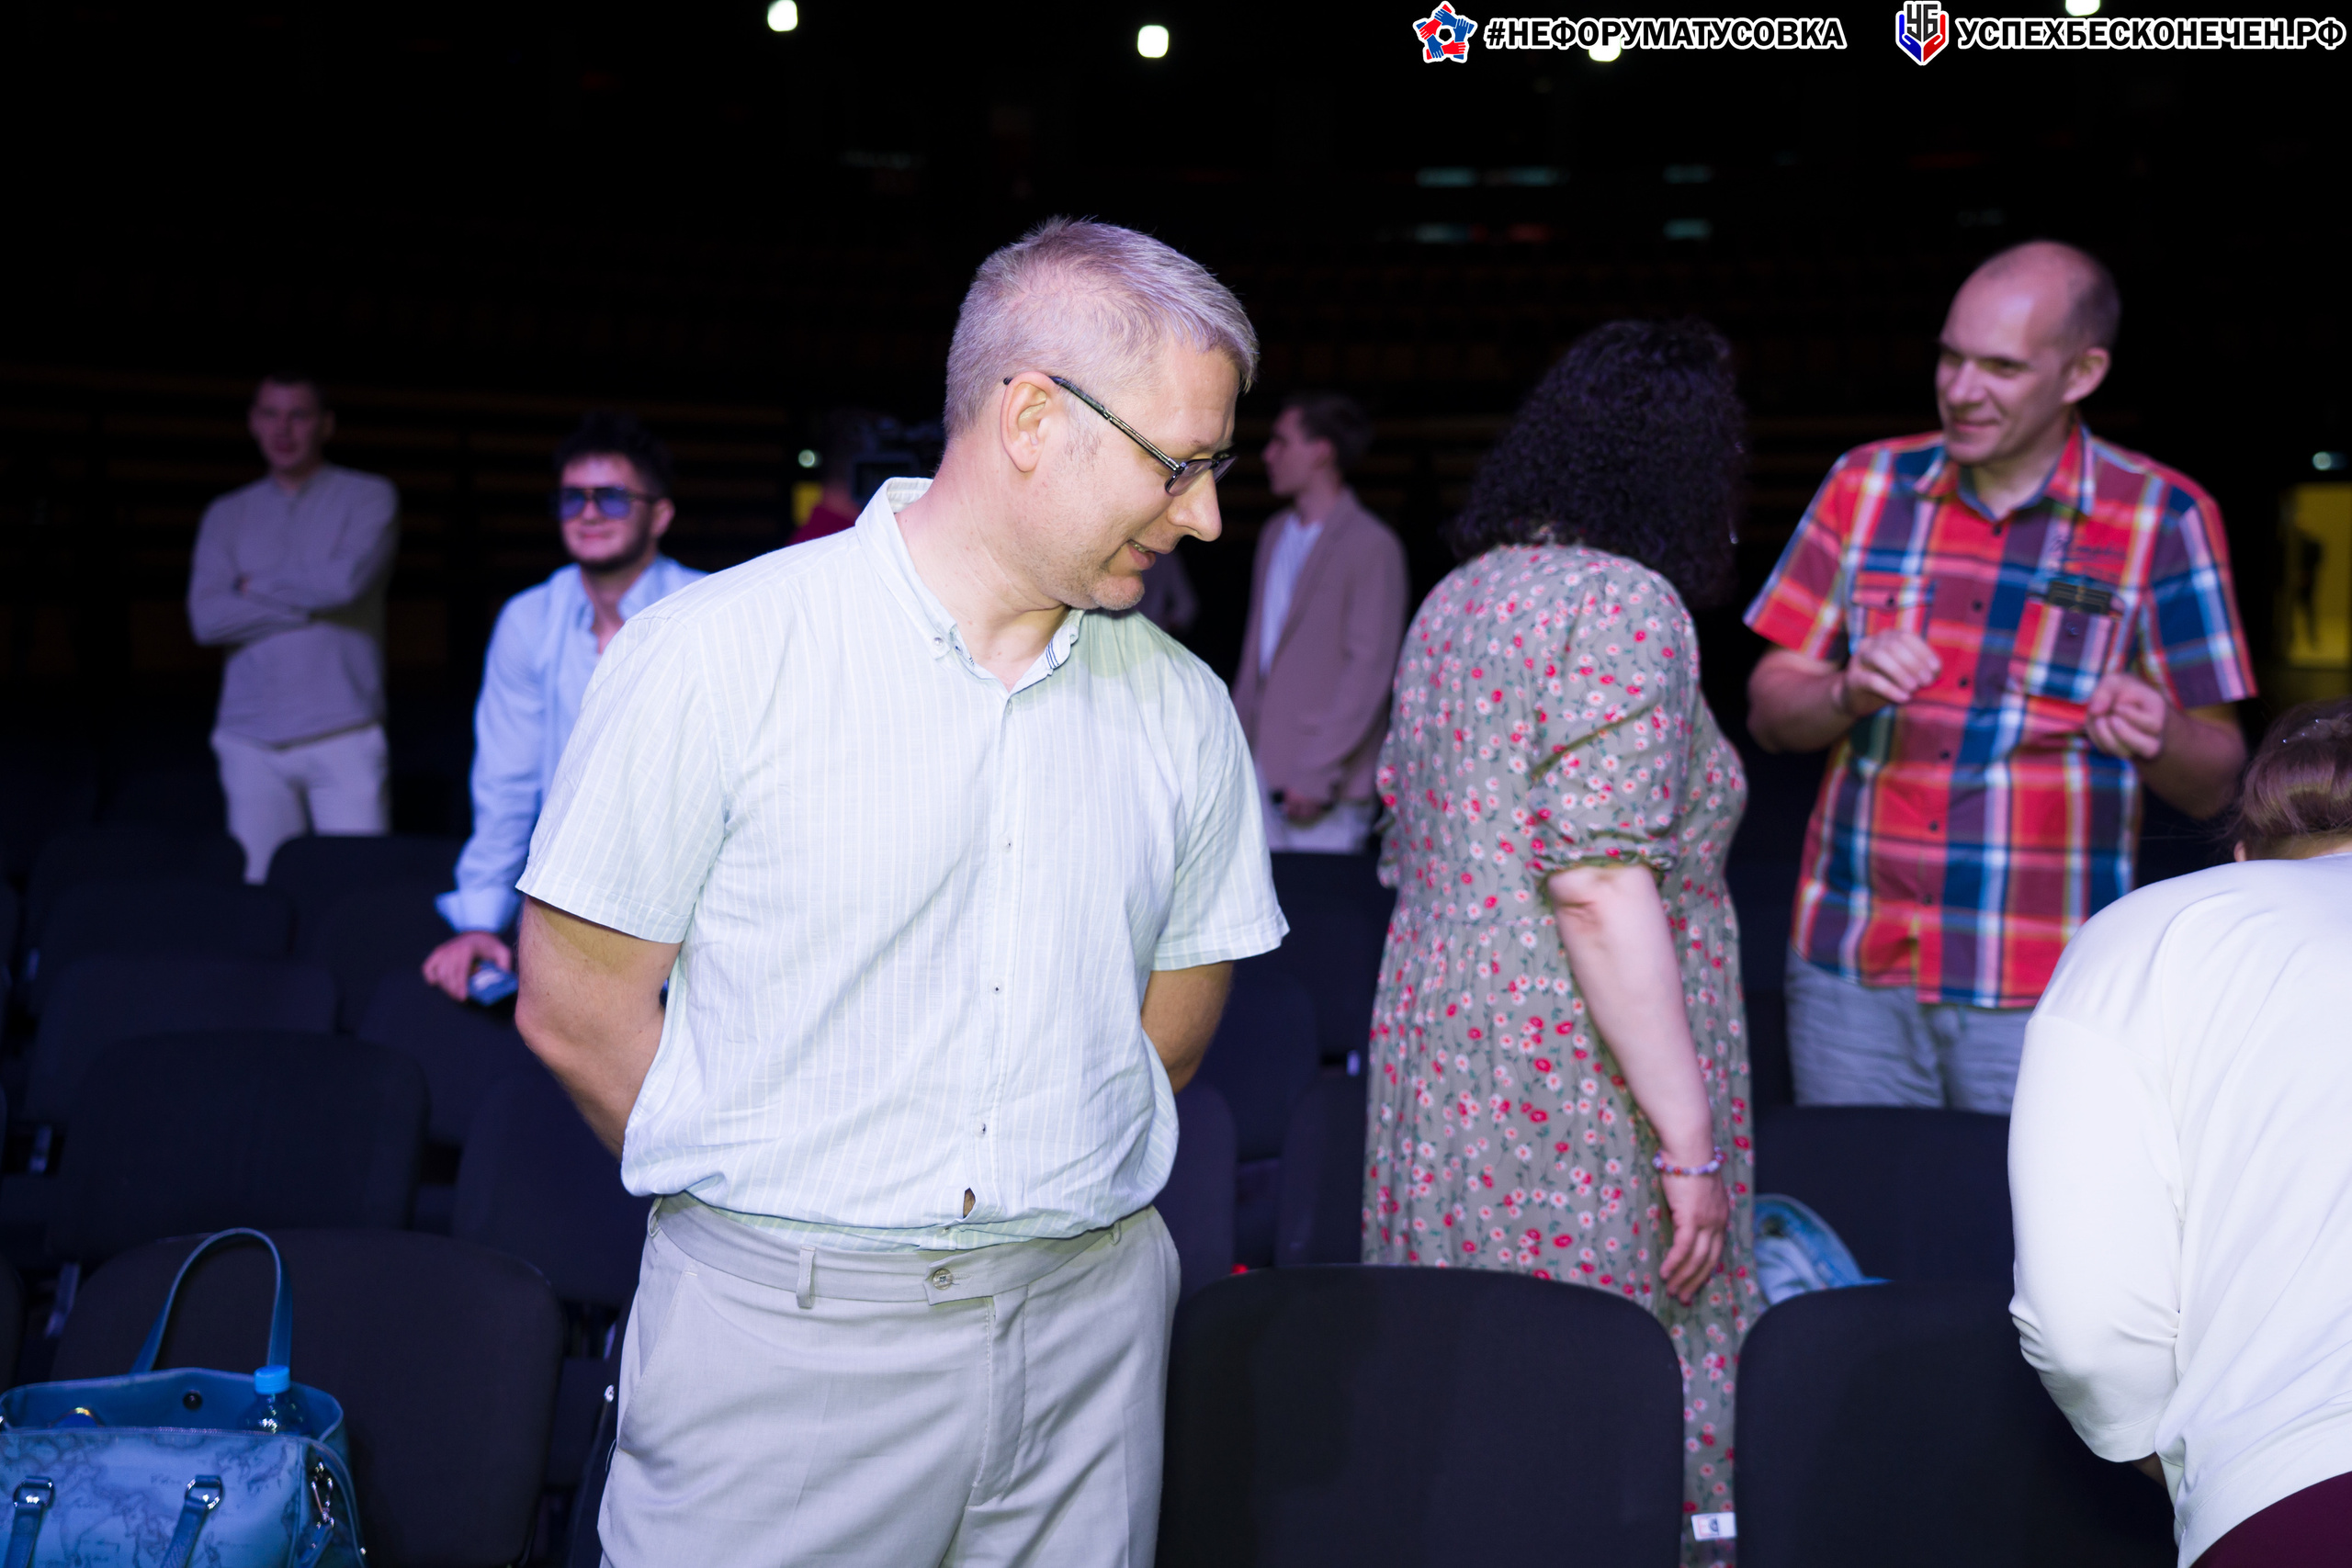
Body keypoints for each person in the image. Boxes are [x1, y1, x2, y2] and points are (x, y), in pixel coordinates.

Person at [513, 218, 1283, 1564]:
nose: (1206, 514)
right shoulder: (714, 656)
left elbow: (1170, 1031)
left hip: (1088, 1349)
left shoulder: (1188, 710)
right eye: (1179, 465)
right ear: (1031, 415)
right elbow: (577, 1011)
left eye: (1216, 470)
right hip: (782, 1367)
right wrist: (803, 1213)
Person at [1364, 320, 1758, 1563]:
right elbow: (1594, 880)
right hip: (1578, 1073)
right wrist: (1688, 1140)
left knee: (1471, 1383)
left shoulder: (1459, 598)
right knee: (1606, 1385)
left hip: (1438, 1057)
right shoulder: (1629, 606)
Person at [1744, 240, 2255, 1113]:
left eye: (2003, 366)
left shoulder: (2162, 514)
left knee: (2019, 1242)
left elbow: (2220, 781)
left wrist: (2161, 730)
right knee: (1855, 1233)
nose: (1961, 387)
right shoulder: (1866, 484)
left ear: (2082, 372)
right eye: (1951, 355)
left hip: (2044, 977)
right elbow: (1766, 709)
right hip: (1853, 968)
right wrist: (1843, 690)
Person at [2011, 697, 2352, 1568]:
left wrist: (2178, 1453)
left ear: (2241, 859)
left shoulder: (2161, 928)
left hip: (2309, 1483)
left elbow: (2085, 1329)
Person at [420, 412, 703, 1001]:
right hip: (565, 900)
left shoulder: (709, 609)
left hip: (696, 898)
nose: (590, 512)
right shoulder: (529, 620)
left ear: (661, 515)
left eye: (614, 499)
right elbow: (506, 783)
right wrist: (479, 920)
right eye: (573, 498)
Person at [187, 373, 400, 882]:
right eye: (271, 414)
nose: (284, 429)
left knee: (357, 888)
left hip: (343, 732)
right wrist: (311, 599)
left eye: (298, 415)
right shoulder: (227, 513)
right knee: (263, 892)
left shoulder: (368, 496)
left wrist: (248, 587)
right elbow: (206, 618)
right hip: (249, 738)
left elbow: (344, 584)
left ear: (325, 425)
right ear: (253, 423)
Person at [1229, 390, 1409, 853]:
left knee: (1319, 919)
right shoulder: (1274, 534)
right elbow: (1259, 655)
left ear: (1321, 451)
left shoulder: (1371, 545)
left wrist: (1317, 772)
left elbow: (1368, 671)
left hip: (1321, 784)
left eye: (1282, 442)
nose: (1268, 454)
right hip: (1256, 768)